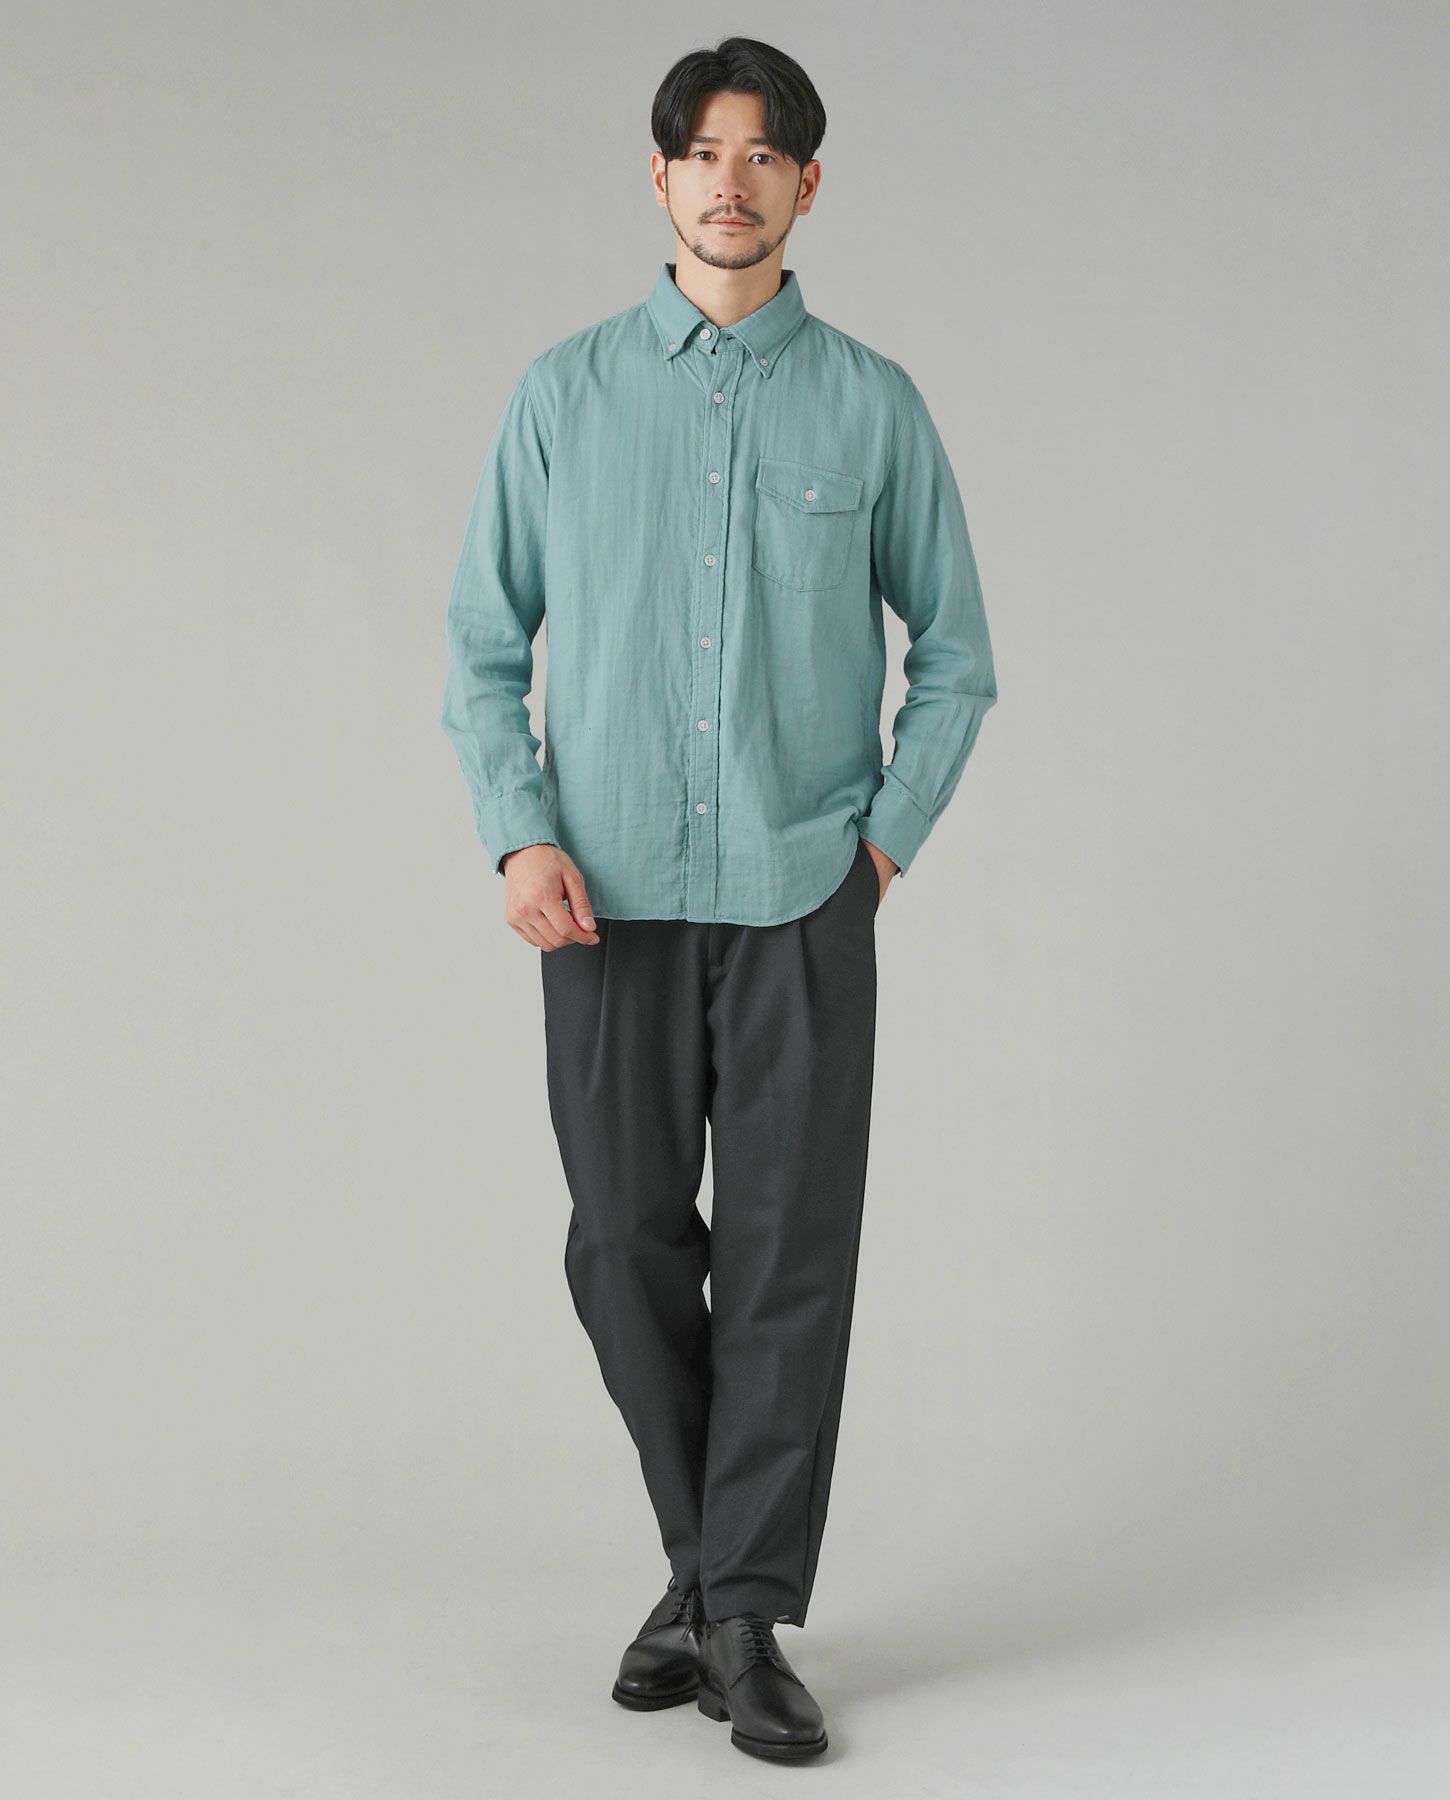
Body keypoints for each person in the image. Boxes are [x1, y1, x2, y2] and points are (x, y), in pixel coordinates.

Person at [440, 34, 996, 1763]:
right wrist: (517, 834)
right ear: (660, 178)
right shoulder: (563, 396)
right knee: (621, 1242)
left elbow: (958, 657)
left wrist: (878, 848)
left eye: (763, 155)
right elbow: (481, 644)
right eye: (702, 152)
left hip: (799, 895)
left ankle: (738, 1613)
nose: (730, 181)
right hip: (601, 898)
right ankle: (705, 1566)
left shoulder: (873, 406)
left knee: (784, 1263)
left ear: (809, 184)